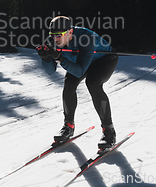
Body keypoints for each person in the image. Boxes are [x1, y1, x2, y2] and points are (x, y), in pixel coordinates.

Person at [36, 15, 118, 149]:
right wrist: (45, 58)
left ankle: (109, 131)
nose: (55, 39)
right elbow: (51, 71)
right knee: (69, 85)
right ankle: (68, 126)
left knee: (93, 84)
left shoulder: (86, 38)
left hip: (104, 59)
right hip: (81, 62)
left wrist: (61, 58)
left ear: (70, 32)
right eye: (52, 35)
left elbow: (79, 71)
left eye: (59, 35)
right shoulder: (51, 41)